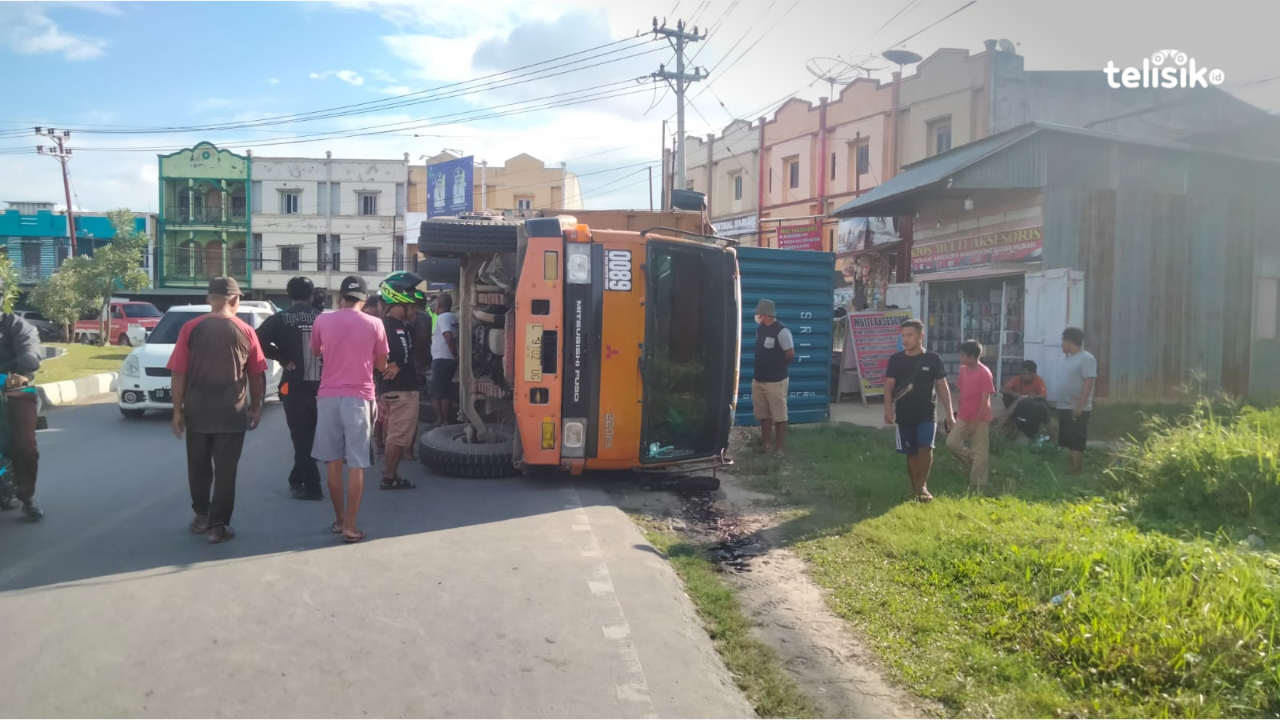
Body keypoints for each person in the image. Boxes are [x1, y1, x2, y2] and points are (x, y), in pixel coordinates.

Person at [168, 277, 268, 544]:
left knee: (198, 467)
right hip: (232, 412)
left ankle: (202, 516)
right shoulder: (246, 330)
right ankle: (218, 527)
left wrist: (177, 411)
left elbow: (178, 372)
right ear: (235, 299)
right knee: (226, 471)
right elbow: (256, 375)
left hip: (197, 411)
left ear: (209, 299)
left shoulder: (190, 328)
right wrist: (256, 407)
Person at [311, 276, 389, 543]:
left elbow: (315, 352)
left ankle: (339, 519)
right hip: (359, 398)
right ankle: (351, 526)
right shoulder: (375, 324)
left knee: (333, 462)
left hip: (328, 397)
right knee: (357, 463)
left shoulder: (322, 320)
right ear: (364, 300)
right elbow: (381, 365)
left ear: (340, 297)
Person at [256, 276, 324, 500]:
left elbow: (256, 341)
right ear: (312, 295)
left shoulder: (280, 319)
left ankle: (312, 487)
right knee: (310, 435)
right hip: (323, 386)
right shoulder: (323, 319)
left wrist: (282, 357)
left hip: (293, 387)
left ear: (289, 295)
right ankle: (297, 478)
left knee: (301, 436)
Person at [884, 318, 953, 502]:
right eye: (903, 336)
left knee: (926, 447)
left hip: (927, 412)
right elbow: (888, 386)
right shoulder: (896, 359)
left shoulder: (933, 359)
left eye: (910, 335)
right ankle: (915, 487)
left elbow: (942, 386)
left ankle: (922, 485)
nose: (905, 340)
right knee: (911, 452)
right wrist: (888, 409)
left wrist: (949, 413)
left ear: (921, 336)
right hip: (904, 413)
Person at [376, 271, 428, 490]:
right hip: (402, 390)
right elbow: (398, 353)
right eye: (411, 306)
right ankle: (389, 477)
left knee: (394, 434)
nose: (414, 310)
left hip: (394, 389)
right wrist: (395, 363)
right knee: (398, 436)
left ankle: (391, 473)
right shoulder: (394, 327)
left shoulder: (392, 325)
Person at [0, 297, 44, 520]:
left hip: (14, 387)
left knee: (25, 446)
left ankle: (27, 497)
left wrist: (28, 359)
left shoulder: (17, 326)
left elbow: (30, 350)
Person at [946, 340, 995, 493]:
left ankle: (978, 485)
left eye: (962, 355)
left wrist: (975, 422)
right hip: (963, 415)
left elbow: (985, 401)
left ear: (972, 356)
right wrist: (957, 413)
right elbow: (961, 393)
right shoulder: (963, 370)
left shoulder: (984, 372)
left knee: (980, 450)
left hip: (980, 417)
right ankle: (973, 462)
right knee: (952, 443)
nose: (960, 358)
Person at [750, 298, 795, 456]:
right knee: (763, 415)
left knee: (779, 415)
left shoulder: (782, 331)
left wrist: (778, 367)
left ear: (765, 314)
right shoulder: (760, 329)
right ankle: (766, 445)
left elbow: (790, 354)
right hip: (759, 379)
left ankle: (779, 448)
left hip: (776, 381)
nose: (757, 317)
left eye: (759, 314)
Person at [1051, 326, 1098, 474]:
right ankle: (1071, 466)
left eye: (1063, 341)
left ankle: (1077, 469)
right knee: (1067, 438)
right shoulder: (1066, 359)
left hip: (1076, 407)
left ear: (1070, 341)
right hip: (1064, 405)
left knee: (1076, 439)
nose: (1061, 344)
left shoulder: (1086, 358)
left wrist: (1080, 405)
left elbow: (1089, 382)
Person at [429, 293, 459, 428]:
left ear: (440, 305)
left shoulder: (442, 317)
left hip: (442, 359)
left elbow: (448, 336)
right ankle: (445, 420)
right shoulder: (452, 317)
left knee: (435, 392)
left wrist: (453, 353)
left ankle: (440, 420)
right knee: (445, 392)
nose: (433, 306)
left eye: (435, 304)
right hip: (448, 360)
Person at [1000, 360, 1050, 440]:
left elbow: (1043, 395)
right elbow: (1003, 389)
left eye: (1026, 373)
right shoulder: (1017, 378)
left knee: (1039, 404)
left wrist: (1032, 397)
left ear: (1033, 374)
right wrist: (1014, 394)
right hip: (1019, 403)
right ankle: (1011, 418)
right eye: (1022, 373)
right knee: (1007, 396)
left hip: (1032, 405)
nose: (1023, 375)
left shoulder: (1039, 380)